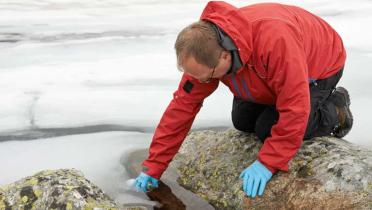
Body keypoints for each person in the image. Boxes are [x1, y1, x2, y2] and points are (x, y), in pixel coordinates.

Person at [134, 1, 353, 198]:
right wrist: (153, 165)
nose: (201, 81)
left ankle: (336, 109)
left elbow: (295, 106)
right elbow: (182, 106)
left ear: (225, 56)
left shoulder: (275, 41)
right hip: (266, 75)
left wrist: (268, 163)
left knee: (268, 128)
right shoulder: (206, 49)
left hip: (317, 67)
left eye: (207, 77)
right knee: (242, 120)